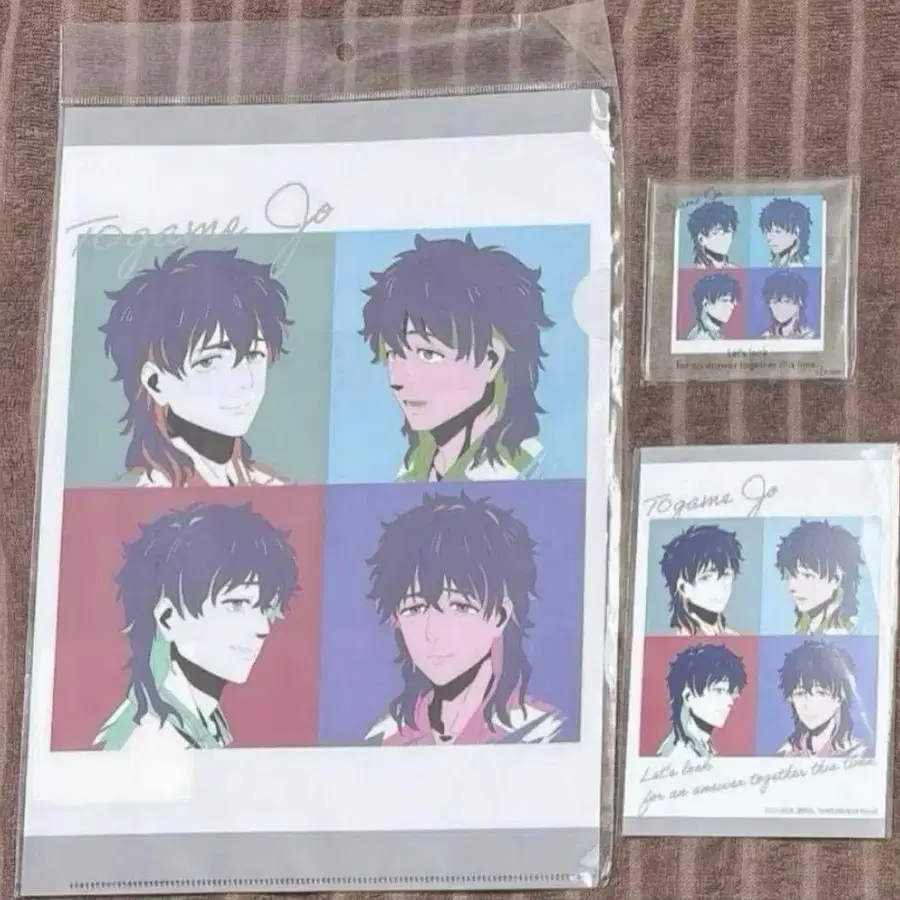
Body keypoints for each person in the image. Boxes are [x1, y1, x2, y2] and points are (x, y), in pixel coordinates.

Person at [363, 491, 564, 744]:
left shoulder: (542, 733)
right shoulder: (385, 737)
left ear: (500, 615)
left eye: (459, 606)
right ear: (397, 619)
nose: (432, 633)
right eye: (414, 608)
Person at [94, 502, 299, 750]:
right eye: (236, 604)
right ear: (168, 618)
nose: (263, 628)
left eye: (264, 607)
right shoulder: (152, 741)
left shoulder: (203, 720)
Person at [360, 233, 554, 481]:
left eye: (428, 354)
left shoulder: (521, 474)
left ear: (491, 360)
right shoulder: (415, 468)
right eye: (392, 353)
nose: (396, 379)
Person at [101, 247, 292, 487]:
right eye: (208, 361)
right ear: (155, 382)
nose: (245, 381)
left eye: (254, 354)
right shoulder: (149, 491)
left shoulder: (266, 484)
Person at [776, 640, 868, 758]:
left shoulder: (858, 754)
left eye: (821, 693)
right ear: (791, 698)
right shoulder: (785, 753)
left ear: (839, 698)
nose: (809, 704)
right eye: (800, 693)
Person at [657, 643, 747, 759]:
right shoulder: (682, 754)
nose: (730, 702)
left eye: (730, 693)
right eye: (719, 691)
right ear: (688, 696)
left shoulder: (701, 745)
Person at [774, 520, 863, 634]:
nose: (792, 587)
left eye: (807, 576)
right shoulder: (805, 627)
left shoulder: (848, 632)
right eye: (790, 575)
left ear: (836, 578)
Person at [659, 524, 744, 635]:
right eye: (706, 578)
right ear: (684, 588)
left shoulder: (733, 637)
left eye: (726, 575)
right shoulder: (679, 638)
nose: (719, 586)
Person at [760, 270, 816, 339]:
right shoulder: (764, 338)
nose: (780, 307)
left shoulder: (811, 338)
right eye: (775, 302)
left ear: (800, 301)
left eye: (786, 301)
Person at [683, 273, 740, 341]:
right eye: (724, 300)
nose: (732, 307)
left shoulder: (714, 333)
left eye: (732, 301)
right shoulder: (700, 338)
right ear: (705, 303)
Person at [758, 197, 812, 267]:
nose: (769, 237)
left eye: (777, 232)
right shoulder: (776, 262)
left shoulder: (802, 266)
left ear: (796, 232)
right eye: (767, 231)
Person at [686, 200, 739, 268]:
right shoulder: (694, 270)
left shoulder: (734, 269)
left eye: (728, 231)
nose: (725, 236)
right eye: (718, 231)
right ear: (701, 239)